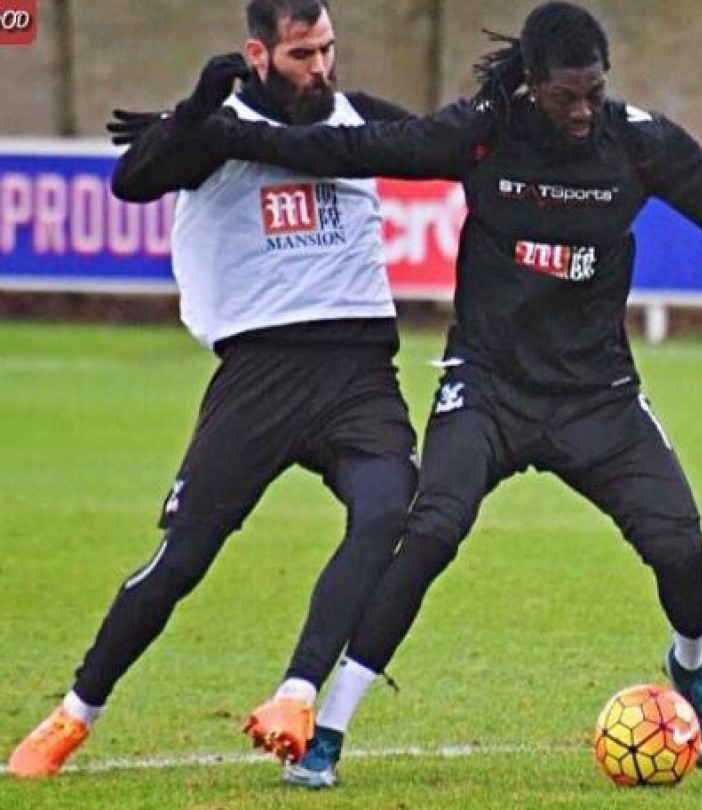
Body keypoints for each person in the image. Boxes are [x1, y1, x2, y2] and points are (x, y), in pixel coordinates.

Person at [157, 1, 702, 788]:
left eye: (594, 91)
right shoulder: (484, 133)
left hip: (598, 397)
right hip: (487, 388)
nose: (583, 110)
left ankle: (690, 666)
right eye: (567, 96)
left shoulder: (637, 142)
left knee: (683, 554)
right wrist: (217, 132)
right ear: (532, 84)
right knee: (430, 532)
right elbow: (358, 146)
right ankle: (329, 730)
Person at [8, 0, 420, 785]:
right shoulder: (219, 128)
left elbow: (447, 146)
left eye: (328, 49)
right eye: (302, 54)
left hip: (361, 370)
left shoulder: (358, 118)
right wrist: (192, 112)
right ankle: (74, 712)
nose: (322, 68)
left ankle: (296, 698)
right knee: (182, 558)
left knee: (387, 511)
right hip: (259, 375)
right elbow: (134, 179)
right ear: (257, 54)